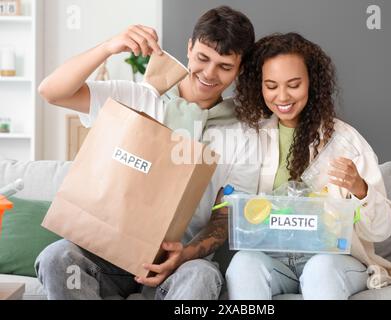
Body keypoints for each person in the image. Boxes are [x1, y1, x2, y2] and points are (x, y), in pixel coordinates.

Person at [35, 6, 257, 300]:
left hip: (179, 263)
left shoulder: (243, 133)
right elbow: (52, 92)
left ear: (239, 69)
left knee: (202, 275)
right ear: (189, 47)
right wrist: (108, 47)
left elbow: (224, 215)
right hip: (104, 254)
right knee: (57, 257)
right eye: (203, 58)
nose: (209, 74)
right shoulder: (138, 97)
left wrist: (187, 254)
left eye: (225, 67)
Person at [226, 32, 391, 300]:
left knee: (320, 268)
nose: (282, 96)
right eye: (271, 85)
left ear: (311, 83)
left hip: (333, 259)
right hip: (275, 259)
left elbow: (382, 229)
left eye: (293, 84)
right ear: (259, 87)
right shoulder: (251, 139)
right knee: (243, 264)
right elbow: (237, 212)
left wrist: (360, 188)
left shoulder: (346, 142)